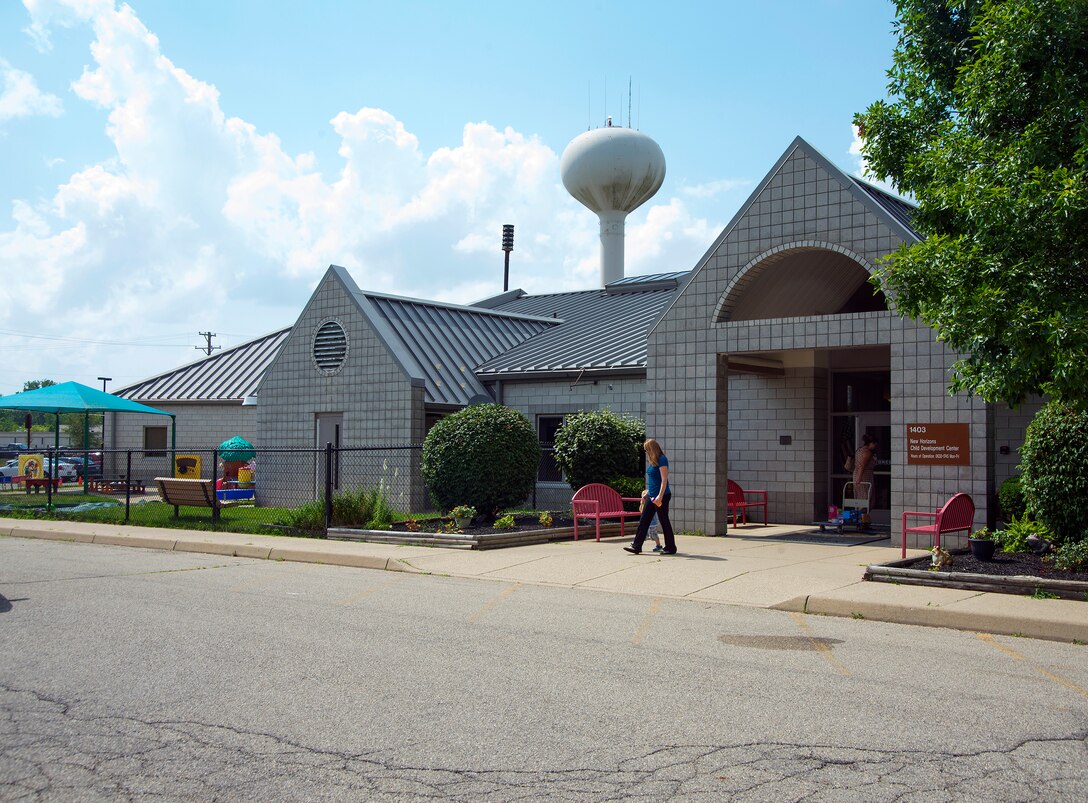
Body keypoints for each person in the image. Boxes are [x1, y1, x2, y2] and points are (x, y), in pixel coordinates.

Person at [624, 438, 676, 555]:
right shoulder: (653, 461)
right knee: (644, 520)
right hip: (651, 495)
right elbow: (654, 480)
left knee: (664, 521)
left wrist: (660, 496)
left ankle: (671, 547)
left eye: (647, 450)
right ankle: (636, 546)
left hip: (661, 496)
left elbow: (664, 480)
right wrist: (647, 491)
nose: (646, 452)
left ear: (652, 449)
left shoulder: (662, 459)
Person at [852, 433, 878, 501]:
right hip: (864, 476)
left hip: (857, 474)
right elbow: (862, 465)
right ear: (871, 443)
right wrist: (859, 478)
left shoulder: (859, 450)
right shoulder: (867, 452)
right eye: (875, 444)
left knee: (859, 496)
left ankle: (859, 510)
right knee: (865, 496)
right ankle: (861, 511)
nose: (875, 446)